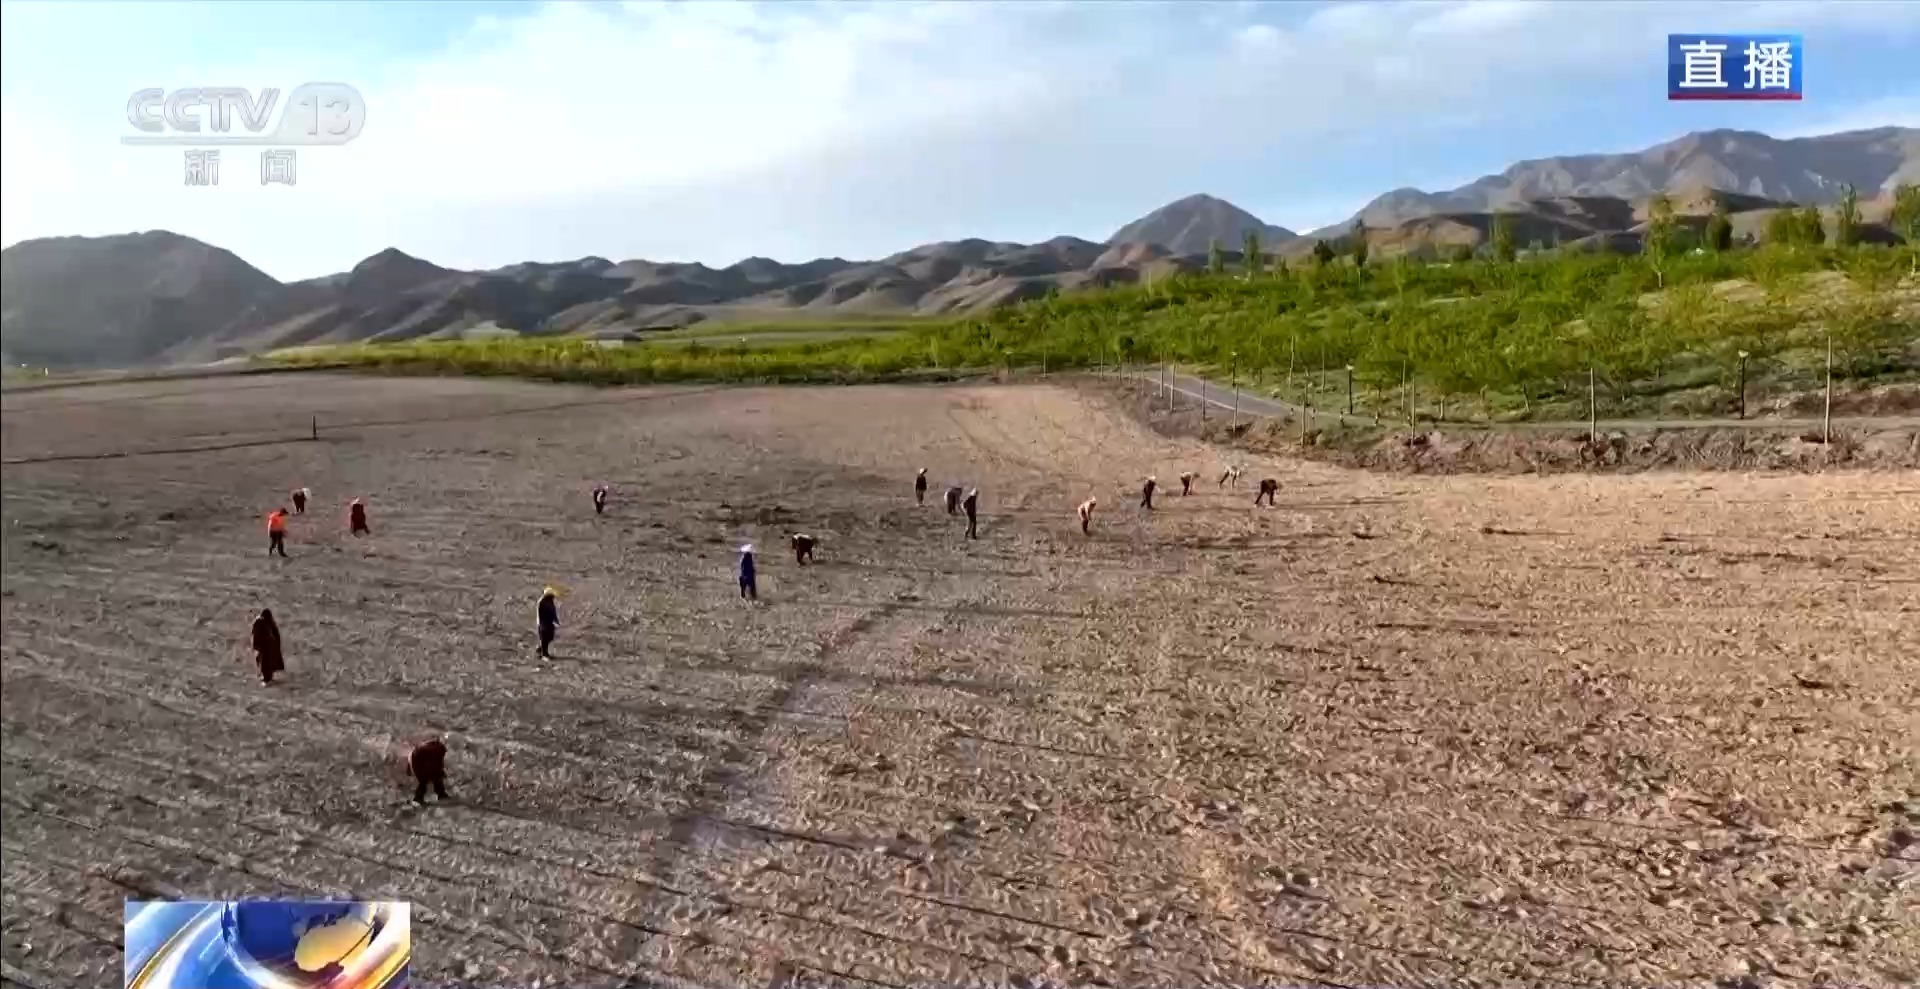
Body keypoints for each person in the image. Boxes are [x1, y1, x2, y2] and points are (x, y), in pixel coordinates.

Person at [408, 737, 451, 805]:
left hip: (418, 756)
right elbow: (437, 764)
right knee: (426, 780)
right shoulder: (439, 749)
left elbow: (437, 764)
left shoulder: (437, 748)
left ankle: (441, 795)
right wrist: (440, 771)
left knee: (432, 779)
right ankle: (418, 798)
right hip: (419, 758)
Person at [249, 608, 284, 686]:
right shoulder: (262, 623)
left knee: (265, 662)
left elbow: (255, 635)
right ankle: (267, 677)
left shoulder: (259, 622)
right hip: (266, 646)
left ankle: (266, 678)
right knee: (266, 662)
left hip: (266, 646)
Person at [536, 587, 559, 659]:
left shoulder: (550, 601)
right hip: (544, 623)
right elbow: (539, 614)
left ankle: (541, 649)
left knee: (550, 637)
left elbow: (553, 612)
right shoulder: (541, 602)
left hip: (550, 622)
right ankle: (544, 654)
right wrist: (541, 624)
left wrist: (556, 620)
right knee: (544, 638)